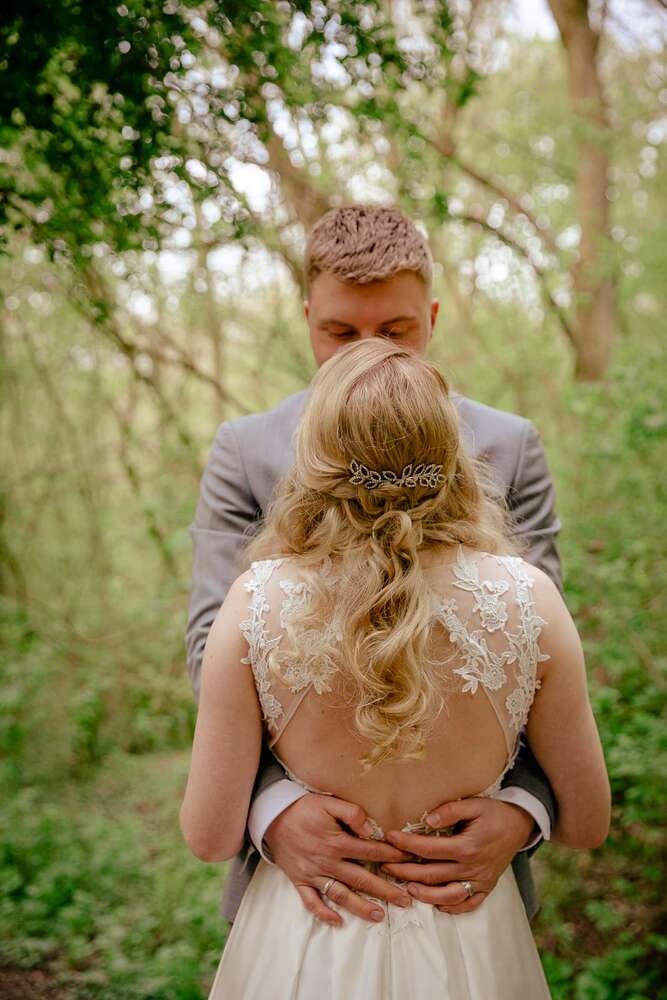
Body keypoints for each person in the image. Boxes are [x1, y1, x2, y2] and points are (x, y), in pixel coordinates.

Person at [181, 338, 610, 998]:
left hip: (306, 940)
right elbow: (585, 821)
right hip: (471, 944)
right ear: (452, 456)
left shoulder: (256, 602)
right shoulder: (529, 601)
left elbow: (209, 835)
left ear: (315, 458)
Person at [187, 205, 562, 928]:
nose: (366, 352)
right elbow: (212, 648)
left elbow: (543, 650)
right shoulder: (245, 449)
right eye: (339, 333)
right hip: (302, 879)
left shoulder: (510, 446)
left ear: (431, 316)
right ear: (306, 318)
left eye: (393, 332)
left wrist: (522, 809)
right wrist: (274, 805)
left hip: (466, 878)